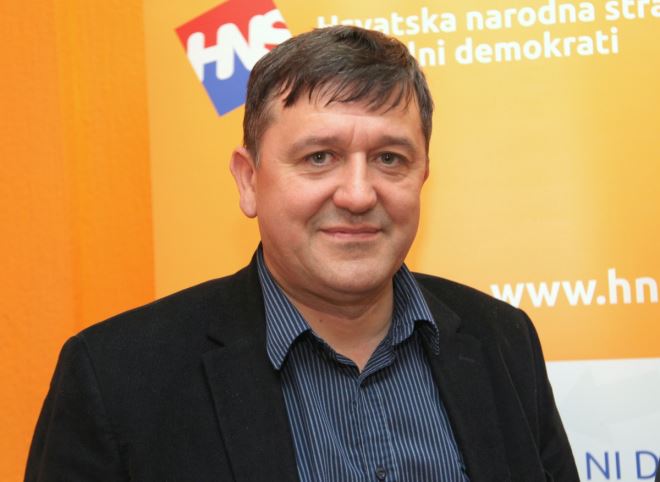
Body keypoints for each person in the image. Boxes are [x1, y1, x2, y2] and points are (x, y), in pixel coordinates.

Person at [26, 26, 579, 481]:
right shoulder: (116, 376)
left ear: (422, 176)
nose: (358, 194)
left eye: (389, 158)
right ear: (249, 180)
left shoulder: (503, 340)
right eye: (319, 157)